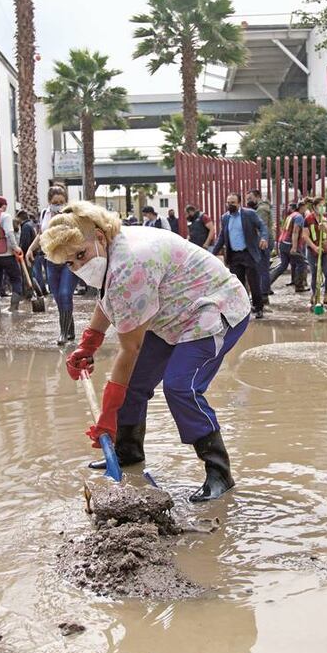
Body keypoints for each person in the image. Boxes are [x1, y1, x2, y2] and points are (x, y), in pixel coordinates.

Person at [44, 201, 252, 502]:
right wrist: (88, 343)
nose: (78, 267)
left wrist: (107, 418)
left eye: (81, 255)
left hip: (213, 309)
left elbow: (129, 350)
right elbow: (110, 298)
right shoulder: (110, 253)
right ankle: (128, 451)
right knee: (135, 383)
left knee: (181, 386)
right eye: (69, 264)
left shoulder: (131, 262)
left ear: (100, 237)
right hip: (170, 313)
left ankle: (219, 473)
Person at [27, 185, 78, 344]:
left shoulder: (72, 215)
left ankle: (63, 333)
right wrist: (30, 249)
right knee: (57, 297)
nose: (59, 204)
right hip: (50, 261)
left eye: (62, 201)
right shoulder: (44, 213)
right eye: (55, 202)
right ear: (49, 201)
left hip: (69, 261)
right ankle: (70, 328)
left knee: (65, 294)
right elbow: (42, 235)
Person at [213, 192, 269, 319]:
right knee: (238, 285)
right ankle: (243, 310)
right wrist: (211, 254)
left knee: (254, 283)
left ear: (239, 203)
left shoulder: (249, 214)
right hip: (234, 256)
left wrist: (264, 238)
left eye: (233, 202)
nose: (230, 205)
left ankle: (258, 308)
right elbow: (222, 237)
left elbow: (262, 226)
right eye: (228, 202)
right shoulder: (225, 218)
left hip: (249, 254)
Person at [301, 196, 327, 308]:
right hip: (312, 251)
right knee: (315, 273)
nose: (322, 208)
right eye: (320, 205)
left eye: (323, 205)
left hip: (326, 250)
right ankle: (314, 295)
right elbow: (305, 236)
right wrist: (314, 247)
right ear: (314, 207)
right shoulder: (308, 219)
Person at [247, 189, 274, 297]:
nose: (248, 201)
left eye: (250, 198)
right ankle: (265, 291)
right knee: (264, 268)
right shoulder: (262, 208)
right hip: (266, 240)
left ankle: (263, 294)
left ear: (257, 197)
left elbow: (260, 227)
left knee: (262, 268)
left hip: (263, 241)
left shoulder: (261, 210)